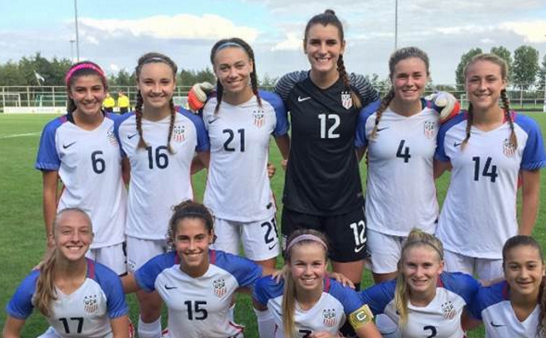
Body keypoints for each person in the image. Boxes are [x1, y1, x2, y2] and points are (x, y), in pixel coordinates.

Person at [275, 9, 379, 289]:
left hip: (345, 203)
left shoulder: (358, 86)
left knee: (349, 289)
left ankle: (342, 335)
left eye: (330, 43)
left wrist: (441, 109)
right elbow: (261, 115)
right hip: (300, 203)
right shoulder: (289, 86)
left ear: (342, 46)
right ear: (304, 46)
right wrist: (208, 98)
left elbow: (388, 114)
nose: (323, 50)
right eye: (315, 43)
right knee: (300, 287)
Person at [114, 52, 210, 338]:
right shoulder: (123, 126)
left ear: (174, 83)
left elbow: (212, 164)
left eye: (164, 82)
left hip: (184, 231)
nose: (157, 89)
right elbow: (123, 172)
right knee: (150, 306)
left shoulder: (192, 124)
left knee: (188, 304)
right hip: (141, 231)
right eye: (149, 82)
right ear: (138, 84)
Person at [434, 53, 546, 281]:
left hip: (501, 243)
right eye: (474, 80)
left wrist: (521, 244)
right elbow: (430, 174)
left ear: (503, 83)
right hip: (452, 240)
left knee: (496, 312)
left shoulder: (526, 129)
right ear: (465, 84)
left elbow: (531, 193)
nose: (482, 86)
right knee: (451, 313)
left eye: (490, 79)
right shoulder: (449, 129)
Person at [355, 47, 459, 284]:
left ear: (427, 77)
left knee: (421, 295)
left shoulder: (439, 117)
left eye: (417, 76)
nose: (409, 82)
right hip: (380, 225)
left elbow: (438, 168)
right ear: (391, 78)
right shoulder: (370, 117)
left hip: (424, 225)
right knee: (389, 301)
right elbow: (349, 164)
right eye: (402, 76)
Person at [122, 200, 280, 338]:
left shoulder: (230, 266)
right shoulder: (160, 267)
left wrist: (289, 273)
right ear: (173, 239)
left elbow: (277, 280)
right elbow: (115, 287)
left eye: (199, 238)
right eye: (184, 239)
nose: (192, 247)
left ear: (210, 236)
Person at [203, 37, 290, 270]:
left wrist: (263, 170)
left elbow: (289, 154)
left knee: (263, 284)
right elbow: (202, 155)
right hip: (218, 211)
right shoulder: (208, 107)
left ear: (251, 64)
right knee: (220, 284)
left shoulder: (272, 105)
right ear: (216, 70)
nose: (233, 73)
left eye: (239, 65)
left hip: (258, 209)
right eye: (225, 67)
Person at [35, 61, 128, 275]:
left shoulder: (119, 125)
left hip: (114, 228)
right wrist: (51, 239)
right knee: (75, 297)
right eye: (80, 90)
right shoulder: (55, 130)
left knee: (112, 295)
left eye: (96, 89)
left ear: (105, 91)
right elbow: (49, 190)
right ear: (70, 93)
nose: (89, 96)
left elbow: (128, 172)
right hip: (72, 231)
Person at [3, 208, 129, 338]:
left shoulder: (107, 280)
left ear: (91, 238)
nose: (75, 238)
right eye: (66, 232)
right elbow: (10, 333)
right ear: (53, 237)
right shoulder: (34, 282)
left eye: (83, 231)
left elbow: (121, 335)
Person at [253, 229, 382, 338]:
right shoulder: (268, 287)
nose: (308, 272)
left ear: (325, 265)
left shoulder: (343, 294)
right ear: (288, 265)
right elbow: (261, 310)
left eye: (316, 264)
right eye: (300, 264)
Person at [359, 229, 480, 338]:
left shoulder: (460, 286)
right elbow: (349, 304)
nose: (418, 274)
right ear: (401, 266)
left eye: (427, 265)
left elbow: (486, 296)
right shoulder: (389, 293)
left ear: (440, 266)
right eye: (411, 265)